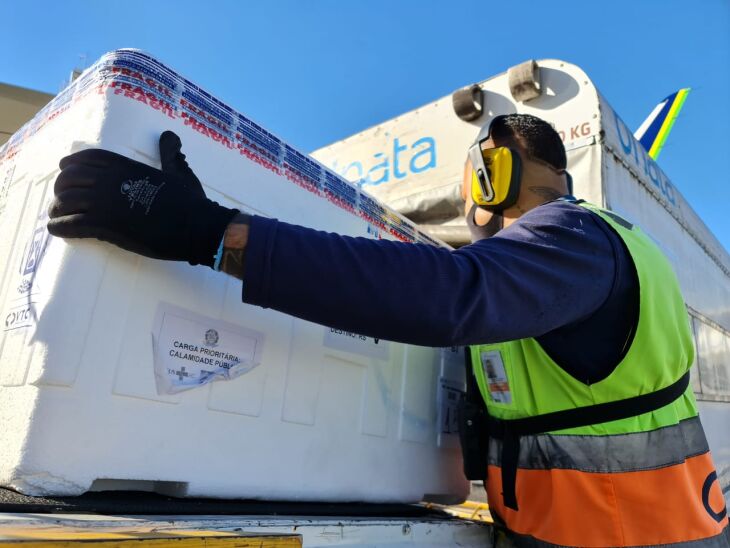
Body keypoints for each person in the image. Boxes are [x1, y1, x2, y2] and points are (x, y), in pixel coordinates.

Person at [47, 114, 729, 547]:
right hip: (636, 530)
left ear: (491, 175)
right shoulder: (608, 248)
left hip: (628, 538)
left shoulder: (569, 234)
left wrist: (215, 234)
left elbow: (448, 294)